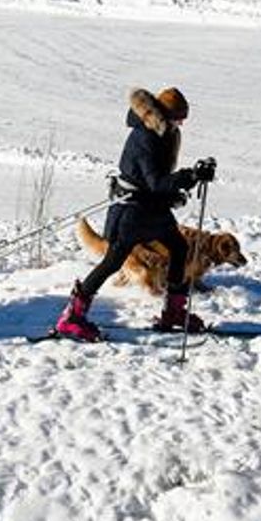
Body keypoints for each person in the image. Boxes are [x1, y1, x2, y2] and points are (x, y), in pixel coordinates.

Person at [55, 87, 217, 342]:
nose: (182, 123)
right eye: (179, 117)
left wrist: (190, 179)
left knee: (178, 247)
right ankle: (71, 317)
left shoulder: (164, 133)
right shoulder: (145, 137)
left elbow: (158, 184)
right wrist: (190, 176)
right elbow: (156, 182)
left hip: (150, 209)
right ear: (164, 114)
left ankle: (173, 312)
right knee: (113, 262)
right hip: (131, 212)